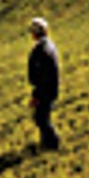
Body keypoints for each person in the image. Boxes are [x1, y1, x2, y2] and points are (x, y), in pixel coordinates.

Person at [27, 17, 61, 151]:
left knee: (41, 118)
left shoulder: (41, 50)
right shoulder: (49, 46)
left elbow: (41, 76)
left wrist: (37, 95)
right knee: (42, 117)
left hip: (45, 90)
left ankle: (52, 143)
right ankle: (45, 143)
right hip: (50, 89)